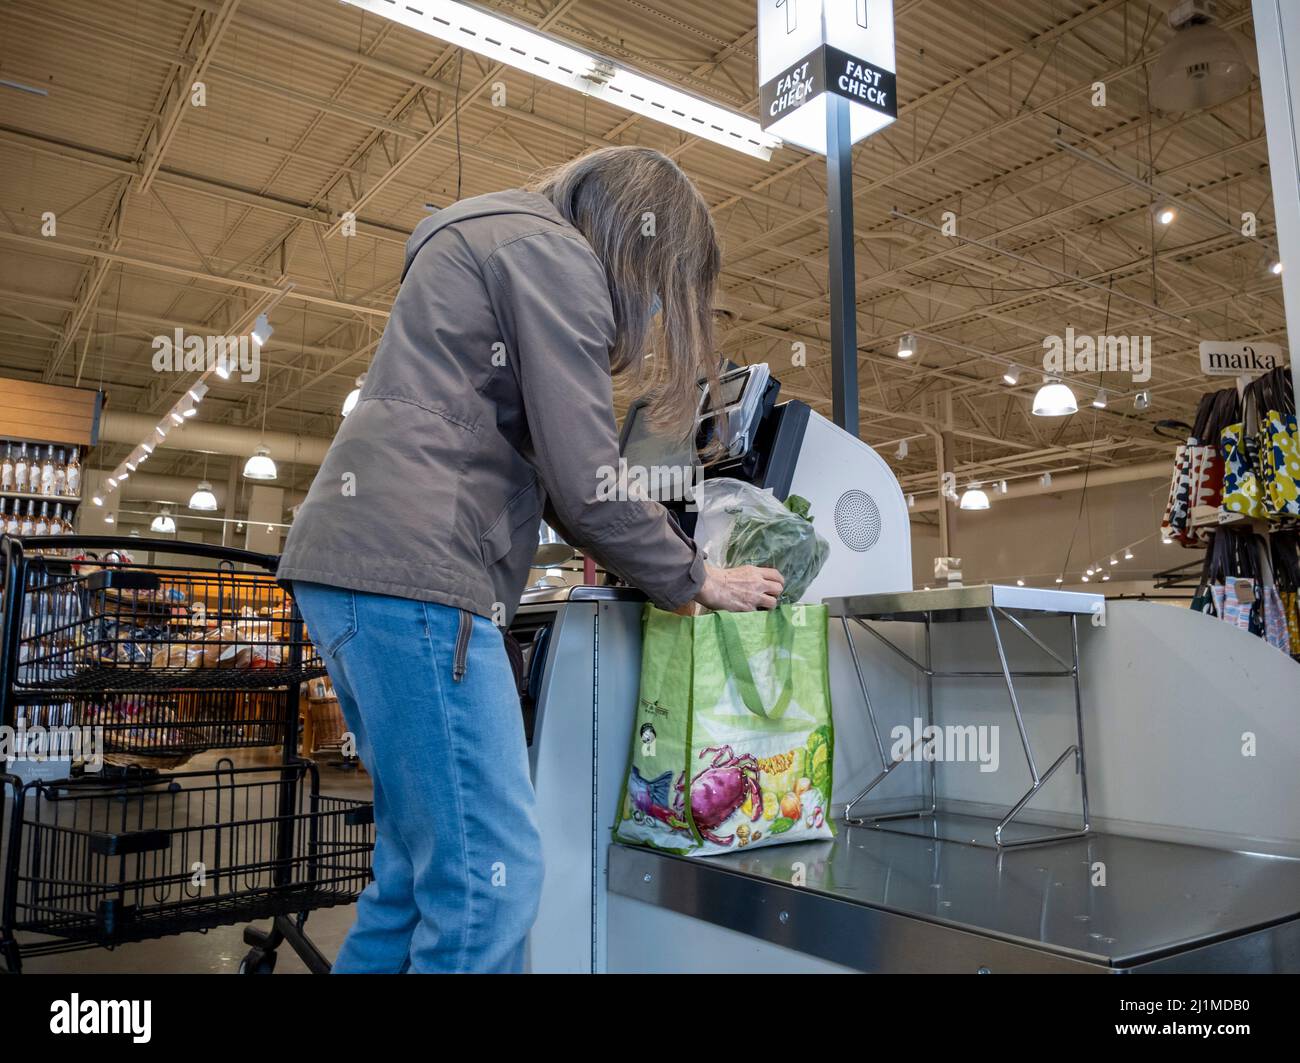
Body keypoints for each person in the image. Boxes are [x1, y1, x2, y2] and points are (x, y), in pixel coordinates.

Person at [278, 146, 784, 974]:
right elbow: (588, 481)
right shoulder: (555, 258)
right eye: (661, 288)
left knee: (411, 879)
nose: (655, 311)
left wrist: (647, 555)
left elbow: (553, 469)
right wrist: (696, 574)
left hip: (353, 576)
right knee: (492, 885)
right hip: (422, 580)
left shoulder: (496, 240)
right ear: (639, 246)